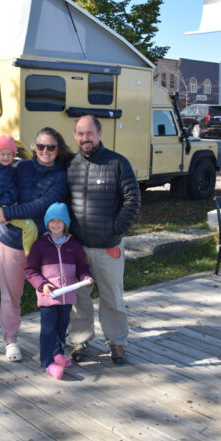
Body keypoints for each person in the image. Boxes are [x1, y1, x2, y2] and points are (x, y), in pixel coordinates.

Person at [0, 127, 73, 362]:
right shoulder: (21, 167)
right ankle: (11, 341)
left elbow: (42, 205)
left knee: (52, 295)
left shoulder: (61, 176)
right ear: (34, 148)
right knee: (10, 295)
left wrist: (8, 212)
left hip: (44, 245)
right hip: (9, 241)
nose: (45, 151)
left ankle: (56, 342)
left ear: (58, 149)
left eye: (51, 147)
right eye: (40, 146)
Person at [67, 115, 140, 365]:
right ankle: (79, 339)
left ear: (99, 133)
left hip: (108, 247)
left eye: (89, 133)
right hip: (77, 248)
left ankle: (117, 342)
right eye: (80, 134)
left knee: (112, 298)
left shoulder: (117, 163)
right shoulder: (72, 165)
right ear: (75, 136)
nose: (85, 138)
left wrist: (115, 229)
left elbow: (133, 200)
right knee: (79, 299)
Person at [24, 202, 92, 379]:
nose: (55, 224)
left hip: (67, 296)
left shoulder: (74, 245)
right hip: (48, 296)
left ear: (65, 224)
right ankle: (47, 362)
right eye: (52, 221)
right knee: (48, 329)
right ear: (47, 223)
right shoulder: (40, 245)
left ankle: (58, 354)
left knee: (62, 327)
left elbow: (82, 267)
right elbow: (30, 270)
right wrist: (42, 284)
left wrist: (85, 277)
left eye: (59, 221)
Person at [0, 135, 37, 255]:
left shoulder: (5, 169)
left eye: (9, 154)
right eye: (2, 154)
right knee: (30, 227)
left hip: (7, 205)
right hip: (3, 209)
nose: (6, 157)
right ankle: (30, 255)